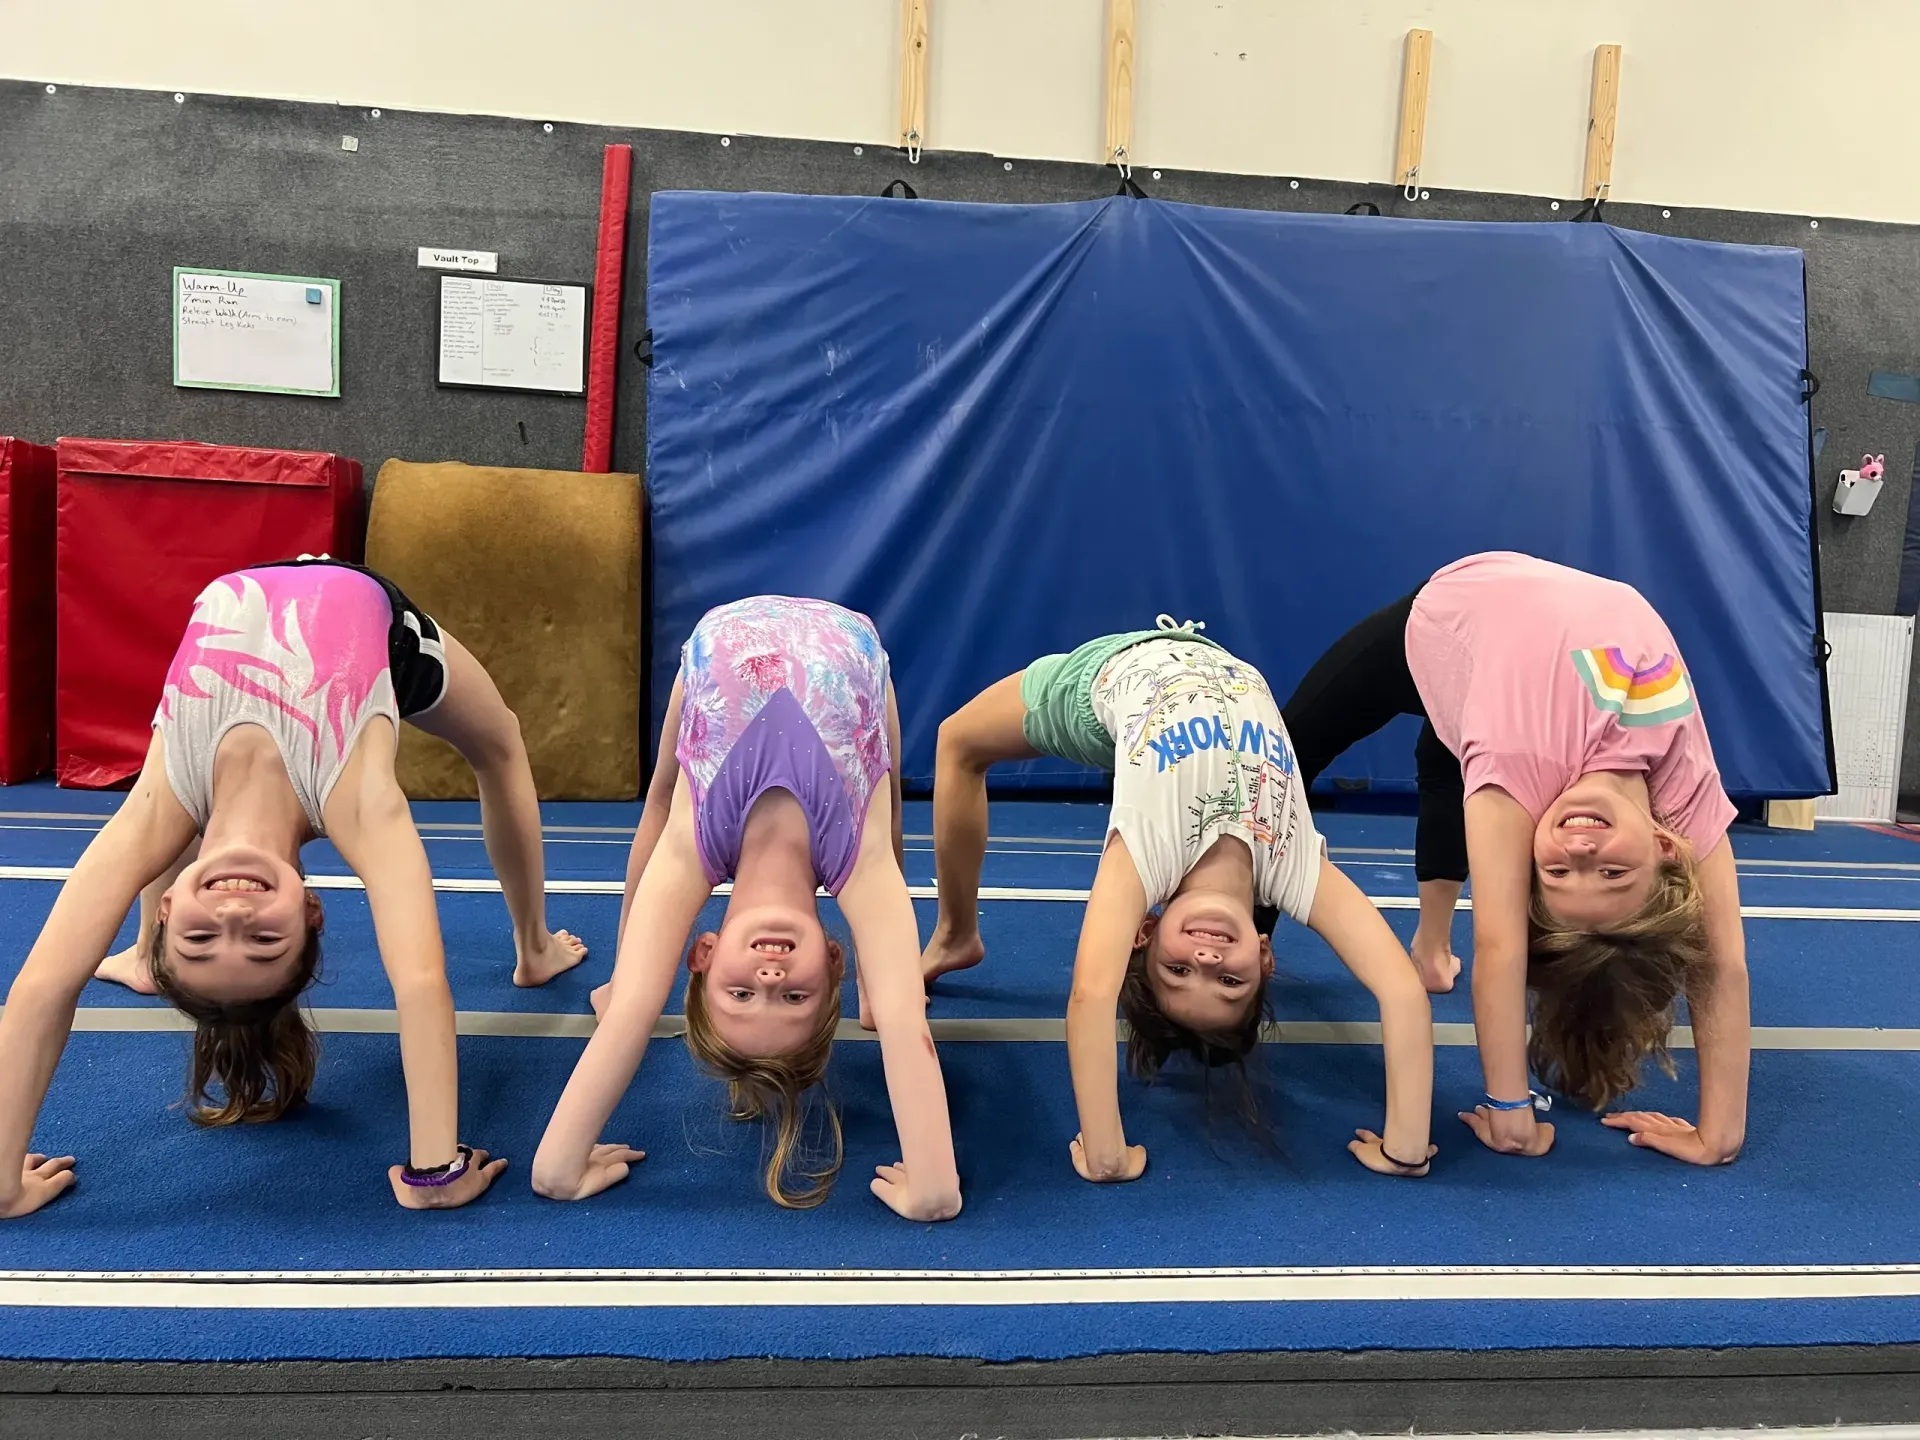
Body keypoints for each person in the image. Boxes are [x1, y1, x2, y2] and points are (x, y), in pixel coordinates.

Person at [0, 557, 580, 1218]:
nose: (233, 909)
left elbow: (43, 984)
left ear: (168, 912)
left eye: (200, 934)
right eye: (262, 937)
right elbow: (420, 984)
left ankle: (141, 956)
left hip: (247, 596)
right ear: (311, 910)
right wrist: (434, 1173)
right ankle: (535, 948)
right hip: (372, 616)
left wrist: (2, 1178)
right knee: (500, 738)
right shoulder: (357, 802)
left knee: (160, 819)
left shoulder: (167, 805)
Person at [922, 618, 1435, 1183]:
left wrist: (1107, 1154)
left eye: (1177, 970)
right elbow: (1400, 988)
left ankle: (956, 932)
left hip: (1103, 682)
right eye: (1229, 982)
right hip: (1208, 659)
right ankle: (956, 935)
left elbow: (1091, 994)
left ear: (1144, 932)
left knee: (957, 741)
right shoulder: (1295, 867)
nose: (1207, 962)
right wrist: (1406, 1146)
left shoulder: (1147, 854)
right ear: (1265, 956)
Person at [1281, 552, 1750, 1166]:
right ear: (1666, 848)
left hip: (1513, 664)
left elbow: (1501, 947)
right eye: (1613, 872)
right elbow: (1722, 958)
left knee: (1450, 763)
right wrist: (1723, 1133)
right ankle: (1419, 942)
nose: (1581, 848)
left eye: (1558, 871)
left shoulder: (1510, 769)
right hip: (1452, 611)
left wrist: (1512, 1114)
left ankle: (1427, 948)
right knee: (1289, 753)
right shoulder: (1680, 786)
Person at [532, 595, 960, 1218]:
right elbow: (905, 1023)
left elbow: (630, 1017)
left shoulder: (691, 849)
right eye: (795, 998)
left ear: (702, 955)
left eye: (739, 994)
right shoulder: (862, 866)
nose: (769, 978)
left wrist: (629, 982)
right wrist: (934, 1185)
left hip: (722, 632)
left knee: (661, 796)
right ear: (834, 963)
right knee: (884, 805)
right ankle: (875, 968)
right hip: (859, 651)